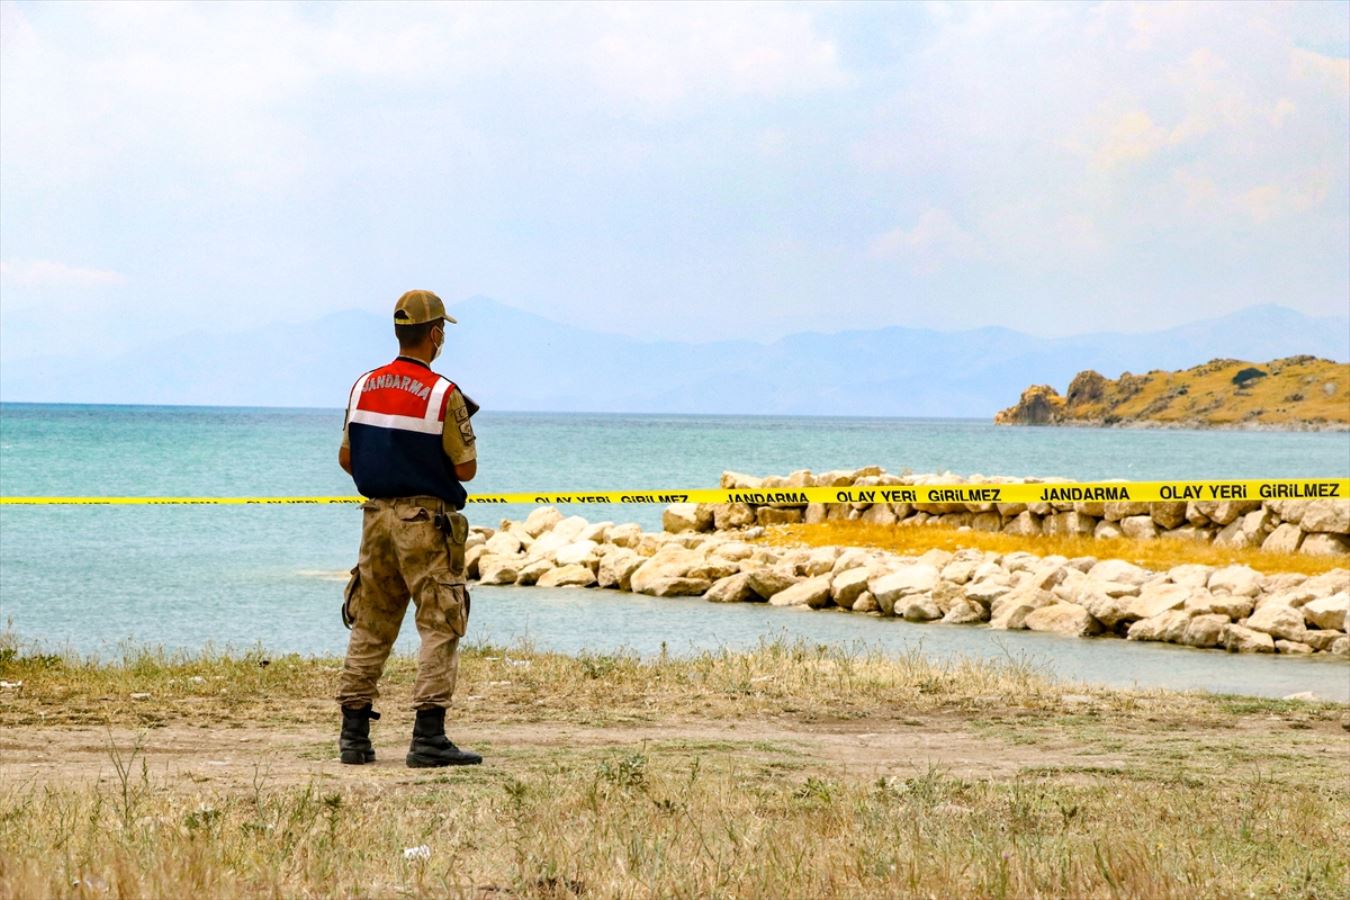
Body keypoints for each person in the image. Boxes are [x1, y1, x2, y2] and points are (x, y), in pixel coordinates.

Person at [335, 289, 482, 767]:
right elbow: (466, 469)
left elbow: (346, 458)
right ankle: (428, 736)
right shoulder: (444, 393)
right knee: (440, 623)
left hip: (375, 518)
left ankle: (354, 736)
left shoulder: (362, 385)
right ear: (435, 334)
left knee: (371, 623)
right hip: (425, 522)